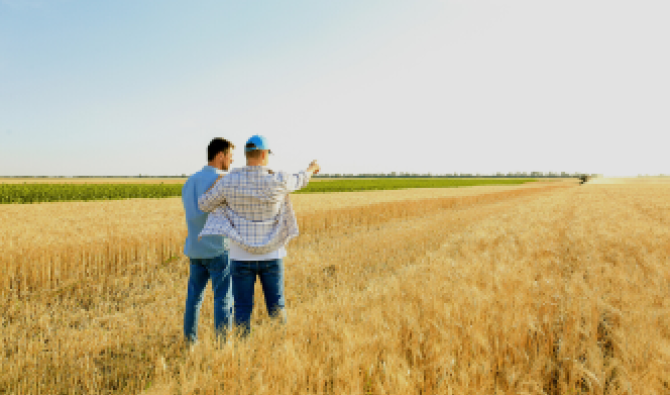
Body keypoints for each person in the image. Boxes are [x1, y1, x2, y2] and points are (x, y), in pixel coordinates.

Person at [197, 135, 320, 337]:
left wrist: (218, 182)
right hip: (272, 255)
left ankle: (243, 357)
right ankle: (280, 350)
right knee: (277, 307)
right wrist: (312, 168)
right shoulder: (278, 179)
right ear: (264, 154)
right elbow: (301, 179)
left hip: (240, 257)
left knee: (242, 309)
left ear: (247, 155)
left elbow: (204, 204)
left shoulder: (229, 181)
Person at [181, 138, 235, 346]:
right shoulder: (223, 181)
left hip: (195, 249)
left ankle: (189, 344)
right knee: (223, 298)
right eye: (230, 155)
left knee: (193, 299)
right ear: (220, 155)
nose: (232, 160)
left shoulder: (189, 182)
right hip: (218, 249)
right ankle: (223, 347)